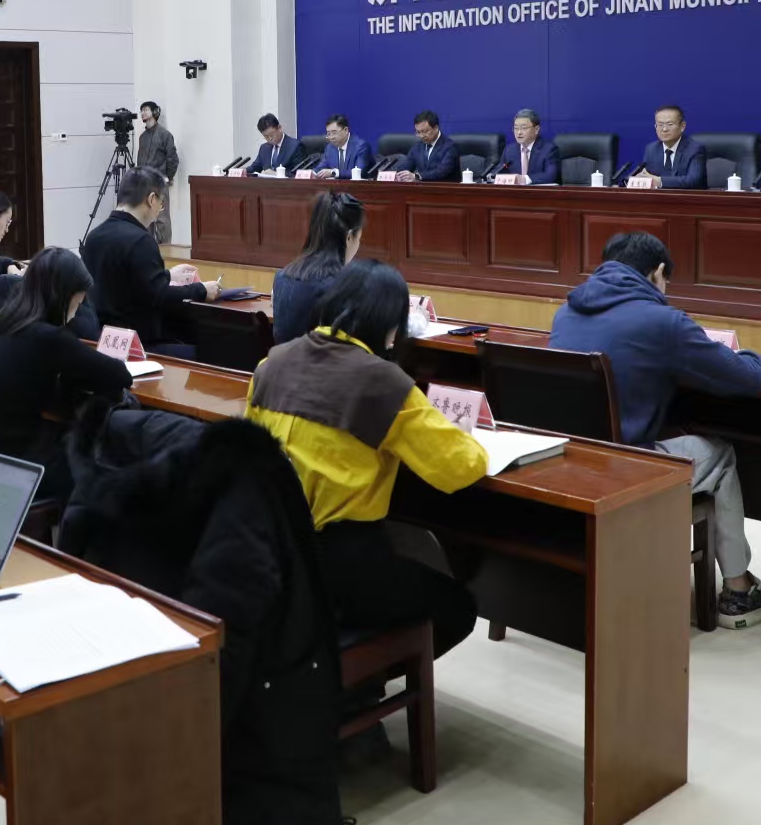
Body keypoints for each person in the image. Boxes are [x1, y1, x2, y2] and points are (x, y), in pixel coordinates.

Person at [245, 259, 484, 660]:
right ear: (391, 328)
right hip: (340, 563)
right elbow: (461, 468)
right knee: (457, 607)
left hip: (270, 549)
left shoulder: (271, 363)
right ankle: (359, 677)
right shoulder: (382, 383)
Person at [548, 231, 761, 628]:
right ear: (657, 272)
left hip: (569, 462)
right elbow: (748, 379)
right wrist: (751, 354)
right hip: (624, 469)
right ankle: (739, 592)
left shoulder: (566, 312)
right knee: (720, 455)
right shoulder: (662, 321)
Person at [0, 247, 131, 499]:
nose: (79, 307)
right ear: (64, 296)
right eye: (79, 300)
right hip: (19, 463)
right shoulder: (47, 337)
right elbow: (119, 375)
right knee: (107, 463)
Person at [82, 169, 216, 358]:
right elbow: (159, 297)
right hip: (140, 345)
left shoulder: (94, 237)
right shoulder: (141, 240)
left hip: (106, 343)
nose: (159, 210)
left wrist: (168, 275)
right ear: (152, 199)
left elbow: (124, 281)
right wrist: (201, 290)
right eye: (161, 204)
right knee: (213, 352)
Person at [272, 192, 364, 344]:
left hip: (283, 358)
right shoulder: (343, 287)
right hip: (324, 359)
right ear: (349, 238)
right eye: (359, 238)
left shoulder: (281, 277)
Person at [135, 101, 180, 245]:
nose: (143, 113)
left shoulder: (165, 135)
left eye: (146, 110)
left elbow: (172, 159)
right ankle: (149, 249)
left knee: (162, 219)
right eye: (142, 110)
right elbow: (139, 161)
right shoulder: (142, 137)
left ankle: (166, 250)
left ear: (155, 112)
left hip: (159, 184)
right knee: (146, 218)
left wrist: (168, 177)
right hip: (145, 185)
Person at [641, 104, 707, 188]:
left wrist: (659, 181)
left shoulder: (694, 149)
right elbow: (647, 177)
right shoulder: (651, 149)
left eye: (670, 124)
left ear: (682, 126)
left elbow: (693, 181)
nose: (664, 129)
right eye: (660, 125)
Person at [496, 108, 560, 185]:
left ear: (536, 129)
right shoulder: (509, 150)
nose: (519, 132)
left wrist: (524, 179)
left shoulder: (549, 149)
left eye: (524, 128)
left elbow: (550, 176)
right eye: (516, 128)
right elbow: (498, 172)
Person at [400, 110, 461, 182]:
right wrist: (399, 175)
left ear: (436, 128)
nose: (421, 136)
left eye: (425, 131)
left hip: (445, 187)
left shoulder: (450, 147)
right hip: (423, 188)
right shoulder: (417, 147)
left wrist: (417, 176)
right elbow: (406, 166)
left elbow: (442, 171)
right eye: (418, 132)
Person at [314, 114, 373, 179]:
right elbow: (320, 169)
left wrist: (333, 173)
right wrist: (311, 173)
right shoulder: (330, 148)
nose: (331, 137)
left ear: (346, 130)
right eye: (328, 134)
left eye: (334, 133)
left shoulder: (361, 147)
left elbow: (359, 173)